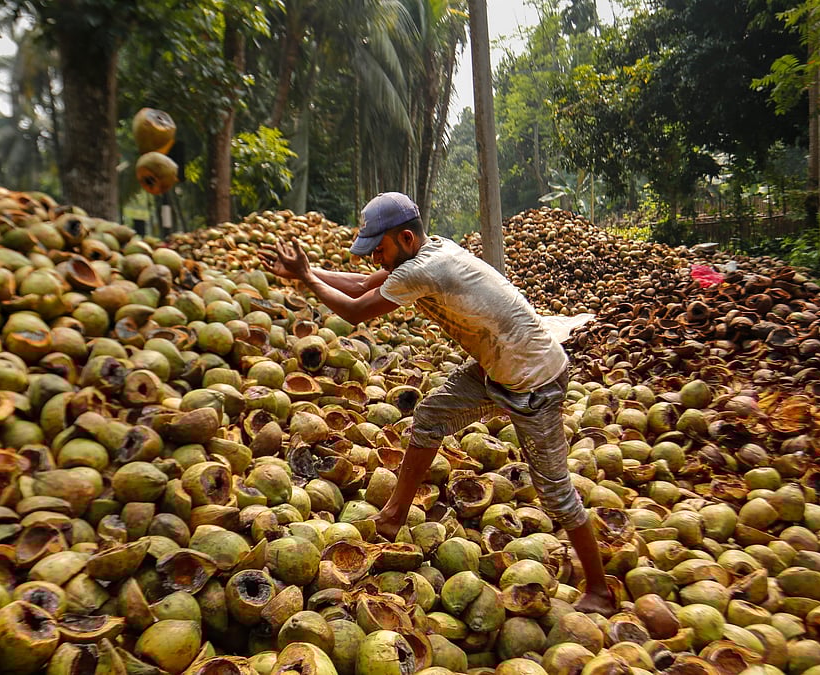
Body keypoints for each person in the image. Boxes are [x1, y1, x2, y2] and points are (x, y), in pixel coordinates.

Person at [260, 191, 617, 616]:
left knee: (555, 494)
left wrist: (307, 277)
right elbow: (360, 285)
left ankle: (600, 589)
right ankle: (393, 515)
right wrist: (305, 273)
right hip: (497, 368)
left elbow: (354, 312)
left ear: (406, 238)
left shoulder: (425, 269)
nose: (376, 259)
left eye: (381, 249)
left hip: (534, 379)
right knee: (429, 416)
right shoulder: (430, 250)